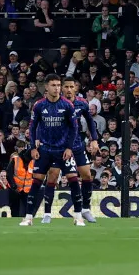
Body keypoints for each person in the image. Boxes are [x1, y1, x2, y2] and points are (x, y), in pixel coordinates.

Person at [20, 76, 77, 227]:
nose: (57, 88)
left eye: (59, 85)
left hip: (62, 150)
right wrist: (33, 147)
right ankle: (28, 217)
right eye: (54, 85)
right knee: (36, 181)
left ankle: (78, 216)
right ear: (46, 87)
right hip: (44, 149)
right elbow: (32, 127)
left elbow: (74, 128)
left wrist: (70, 147)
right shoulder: (39, 105)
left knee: (71, 179)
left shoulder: (67, 105)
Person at [61, 78, 99, 224]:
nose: (69, 89)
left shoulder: (82, 103)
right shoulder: (57, 103)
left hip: (77, 145)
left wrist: (94, 139)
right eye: (67, 87)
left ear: (76, 88)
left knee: (87, 175)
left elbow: (90, 121)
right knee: (66, 177)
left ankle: (85, 208)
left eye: (72, 86)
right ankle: (73, 212)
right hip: (60, 147)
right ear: (62, 88)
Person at [7, 142, 35, 220]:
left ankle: (27, 220)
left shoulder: (32, 162)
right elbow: (9, 173)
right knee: (14, 208)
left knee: (28, 209)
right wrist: (13, 185)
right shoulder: (15, 160)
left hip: (27, 189)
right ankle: (14, 220)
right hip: (15, 189)